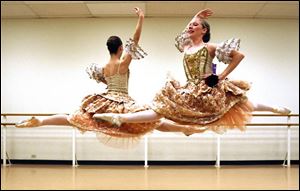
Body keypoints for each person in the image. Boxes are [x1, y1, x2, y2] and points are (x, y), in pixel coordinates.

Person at [94, 8, 291, 135]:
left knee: (241, 103)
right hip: (191, 88)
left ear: (204, 31)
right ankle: (119, 118)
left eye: (195, 25)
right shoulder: (186, 47)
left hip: (209, 87)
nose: (191, 27)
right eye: (190, 26)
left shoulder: (211, 47)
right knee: (162, 109)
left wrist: (220, 76)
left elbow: (239, 55)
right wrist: (195, 16)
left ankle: (274, 108)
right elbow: (182, 35)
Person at [15, 7, 164, 146]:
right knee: (153, 120)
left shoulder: (103, 69)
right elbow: (135, 40)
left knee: (73, 118)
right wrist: (141, 18)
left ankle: (42, 121)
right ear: (120, 48)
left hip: (105, 101)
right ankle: (183, 128)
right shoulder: (123, 64)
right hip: (122, 103)